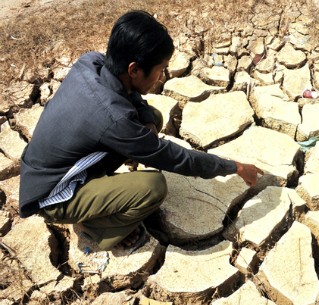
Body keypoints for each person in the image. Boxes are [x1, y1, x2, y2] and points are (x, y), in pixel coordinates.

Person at [19, 10, 262, 250]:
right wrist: (234, 167)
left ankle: (104, 192)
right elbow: (174, 158)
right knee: (153, 187)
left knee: (152, 117)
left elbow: (131, 97)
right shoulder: (115, 119)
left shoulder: (91, 61)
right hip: (54, 194)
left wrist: (145, 121)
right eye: (160, 69)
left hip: (53, 166)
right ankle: (98, 230)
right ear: (134, 69)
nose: (161, 76)